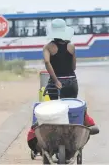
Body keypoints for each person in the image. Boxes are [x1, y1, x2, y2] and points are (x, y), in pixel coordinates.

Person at [26, 19, 99, 155]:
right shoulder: (71, 47)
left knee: (52, 110)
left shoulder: (48, 47)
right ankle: (72, 140)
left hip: (56, 83)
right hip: (72, 81)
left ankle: (49, 141)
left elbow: (47, 62)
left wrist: (55, 80)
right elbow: (74, 67)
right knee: (70, 109)